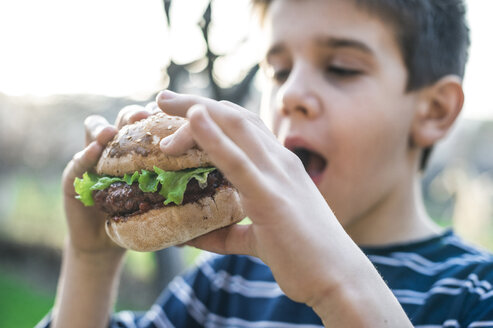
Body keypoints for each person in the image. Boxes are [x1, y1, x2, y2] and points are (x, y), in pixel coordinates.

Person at [37, 0, 493, 327]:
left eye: (341, 68)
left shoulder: (476, 295)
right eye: (279, 70)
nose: (291, 93)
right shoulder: (222, 282)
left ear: (433, 111)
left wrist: (339, 291)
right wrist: (90, 260)